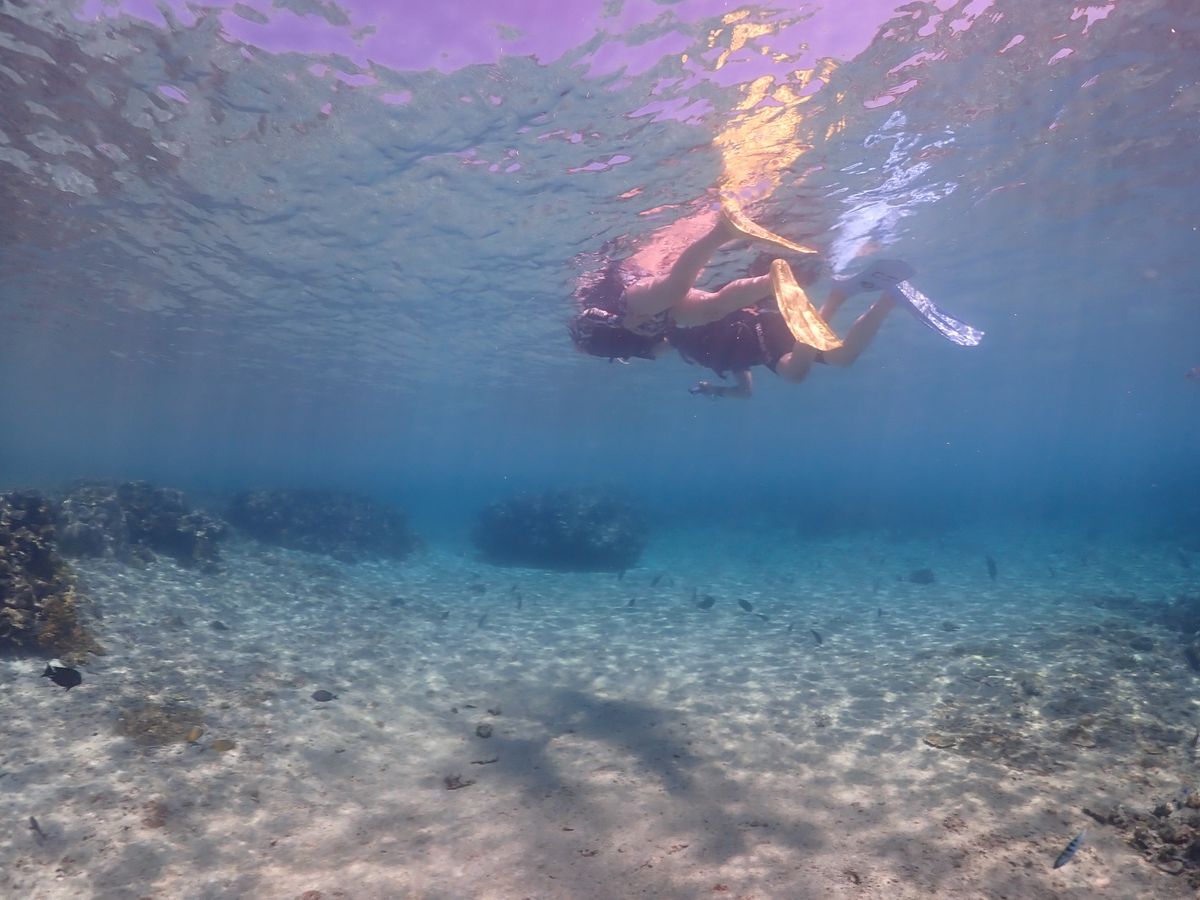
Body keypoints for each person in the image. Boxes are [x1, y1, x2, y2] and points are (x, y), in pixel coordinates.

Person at [568, 208, 928, 398]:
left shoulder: (595, 324)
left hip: (633, 303)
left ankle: (724, 230)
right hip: (754, 342)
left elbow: (588, 317)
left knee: (680, 290)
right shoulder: (669, 348)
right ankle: (879, 297)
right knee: (832, 361)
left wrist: (618, 321)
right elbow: (740, 386)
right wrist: (716, 389)